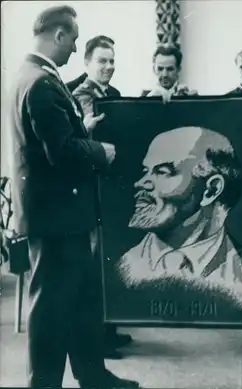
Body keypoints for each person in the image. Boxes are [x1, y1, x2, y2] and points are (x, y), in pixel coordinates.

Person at [4, 5, 139, 388]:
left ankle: (92, 374)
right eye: (74, 39)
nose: (74, 47)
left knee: (82, 300)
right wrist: (101, 151)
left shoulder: (30, 75)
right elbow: (60, 152)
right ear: (58, 35)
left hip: (58, 213)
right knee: (50, 307)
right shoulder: (43, 82)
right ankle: (43, 383)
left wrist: (84, 129)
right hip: (57, 216)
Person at [116, 127, 242, 308]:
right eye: (146, 170)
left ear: (212, 190)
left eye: (162, 172)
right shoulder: (118, 270)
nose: (140, 183)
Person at [72, 35, 133, 360]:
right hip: (88, 191)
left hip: (111, 190)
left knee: (109, 260)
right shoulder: (76, 94)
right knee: (94, 266)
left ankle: (108, 329)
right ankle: (96, 340)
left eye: (112, 61)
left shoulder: (112, 95)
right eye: (102, 61)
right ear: (87, 63)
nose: (108, 67)